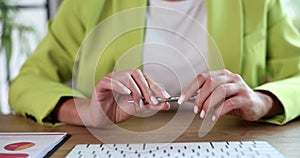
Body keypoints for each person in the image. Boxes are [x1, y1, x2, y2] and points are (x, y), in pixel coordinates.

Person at [9, 0, 300, 128]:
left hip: (229, 143)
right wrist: (86, 112)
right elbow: (27, 82)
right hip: (112, 146)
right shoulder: (88, 2)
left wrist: (263, 102)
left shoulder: (258, 2)